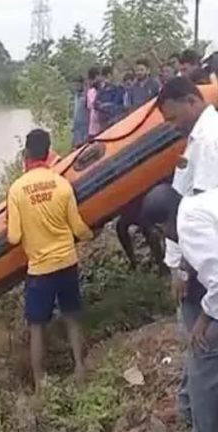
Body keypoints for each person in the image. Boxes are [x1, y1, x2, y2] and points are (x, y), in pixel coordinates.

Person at [6, 128, 94, 390]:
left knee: (37, 327)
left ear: (25, 153)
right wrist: (91, 233)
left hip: (40, 269)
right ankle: (79, 368)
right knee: (72, 317)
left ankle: (40, 381)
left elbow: (13, 237)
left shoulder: (17, 190)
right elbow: (78, 228)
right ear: (49, 151)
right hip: (67, 262)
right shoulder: (62, 184)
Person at [156, 76, 218, 426]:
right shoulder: (198, 139)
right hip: (201, 264)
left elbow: (199, 221)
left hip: (201, 270)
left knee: (203, 352)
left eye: (171, 117)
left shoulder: (209, 141)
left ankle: (200, 420)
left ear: (191, 101)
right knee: (197, 353)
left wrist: (181, 270)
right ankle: (189, 409)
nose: (170, 126)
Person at [140, 184, 218, 432]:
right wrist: (184, 267)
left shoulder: (186, 227)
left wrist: (203, 321)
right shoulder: (199, 203)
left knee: (203, 350)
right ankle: (188, 410)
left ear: (162, 228)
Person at [94, 66, 126, 130]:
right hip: (103, 123)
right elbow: (95, 104)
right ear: (109, 75)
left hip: (115, 122)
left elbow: (117, 105)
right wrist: (104, 105)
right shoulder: (102, 90)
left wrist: (105, 105)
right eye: (116, 73)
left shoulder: (119, 89)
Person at [71, 77, 90, 148]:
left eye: (77, 84)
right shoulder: (76, 96)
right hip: (76, 129)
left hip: (84, 129)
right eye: (75, 84)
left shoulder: (86, 95)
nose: (76, 86)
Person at [86, 67, 102, 138]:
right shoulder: (92, 91)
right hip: (94, 126)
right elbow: (92, 105)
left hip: (100, 124)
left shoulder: (99, 90)